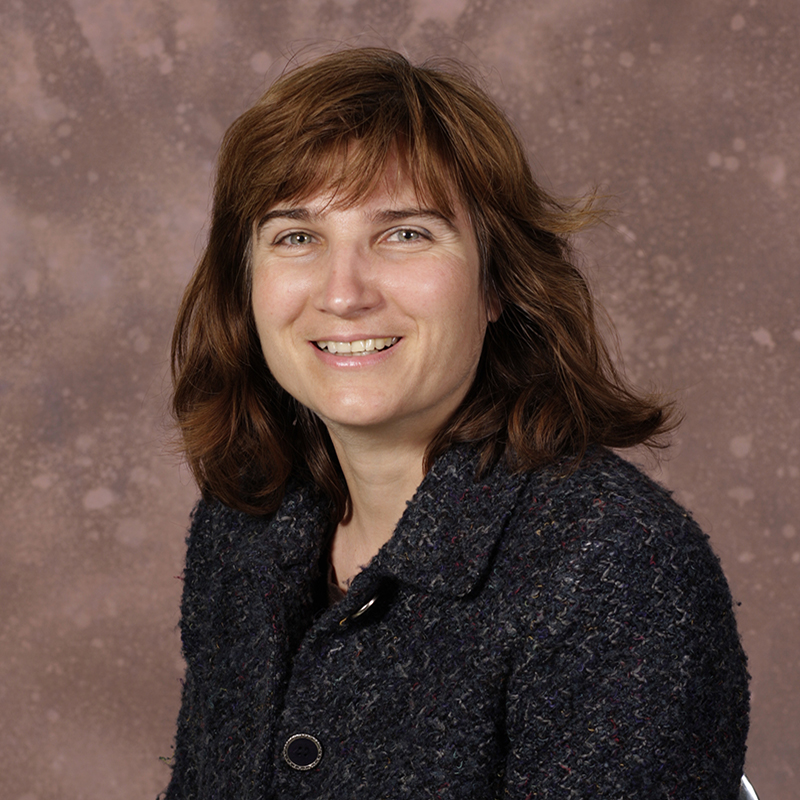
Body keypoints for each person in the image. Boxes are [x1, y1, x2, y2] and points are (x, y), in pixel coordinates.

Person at [165, 48, 749, 799]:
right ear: (245, 284)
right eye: (297, 237)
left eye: (404, 233)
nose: (343, 294)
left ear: (497, 283)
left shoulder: (616, 567)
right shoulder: (247, 526)